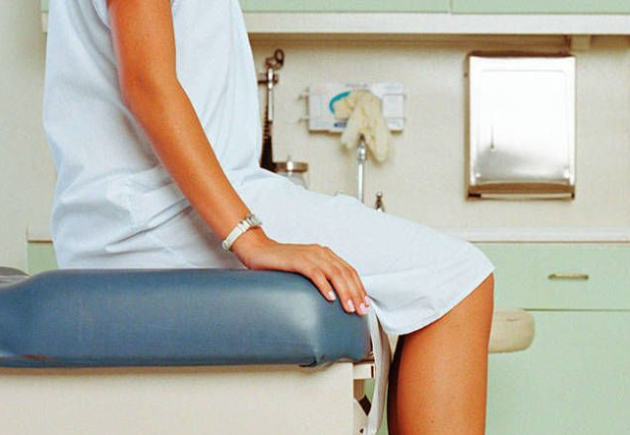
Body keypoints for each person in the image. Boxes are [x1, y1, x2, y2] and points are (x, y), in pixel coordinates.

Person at [43, 1, 496, 434]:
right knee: (457, 279)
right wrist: (250, 238)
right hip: (156, 215)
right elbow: (147, 83)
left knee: (454, 277)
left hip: (147, 212)